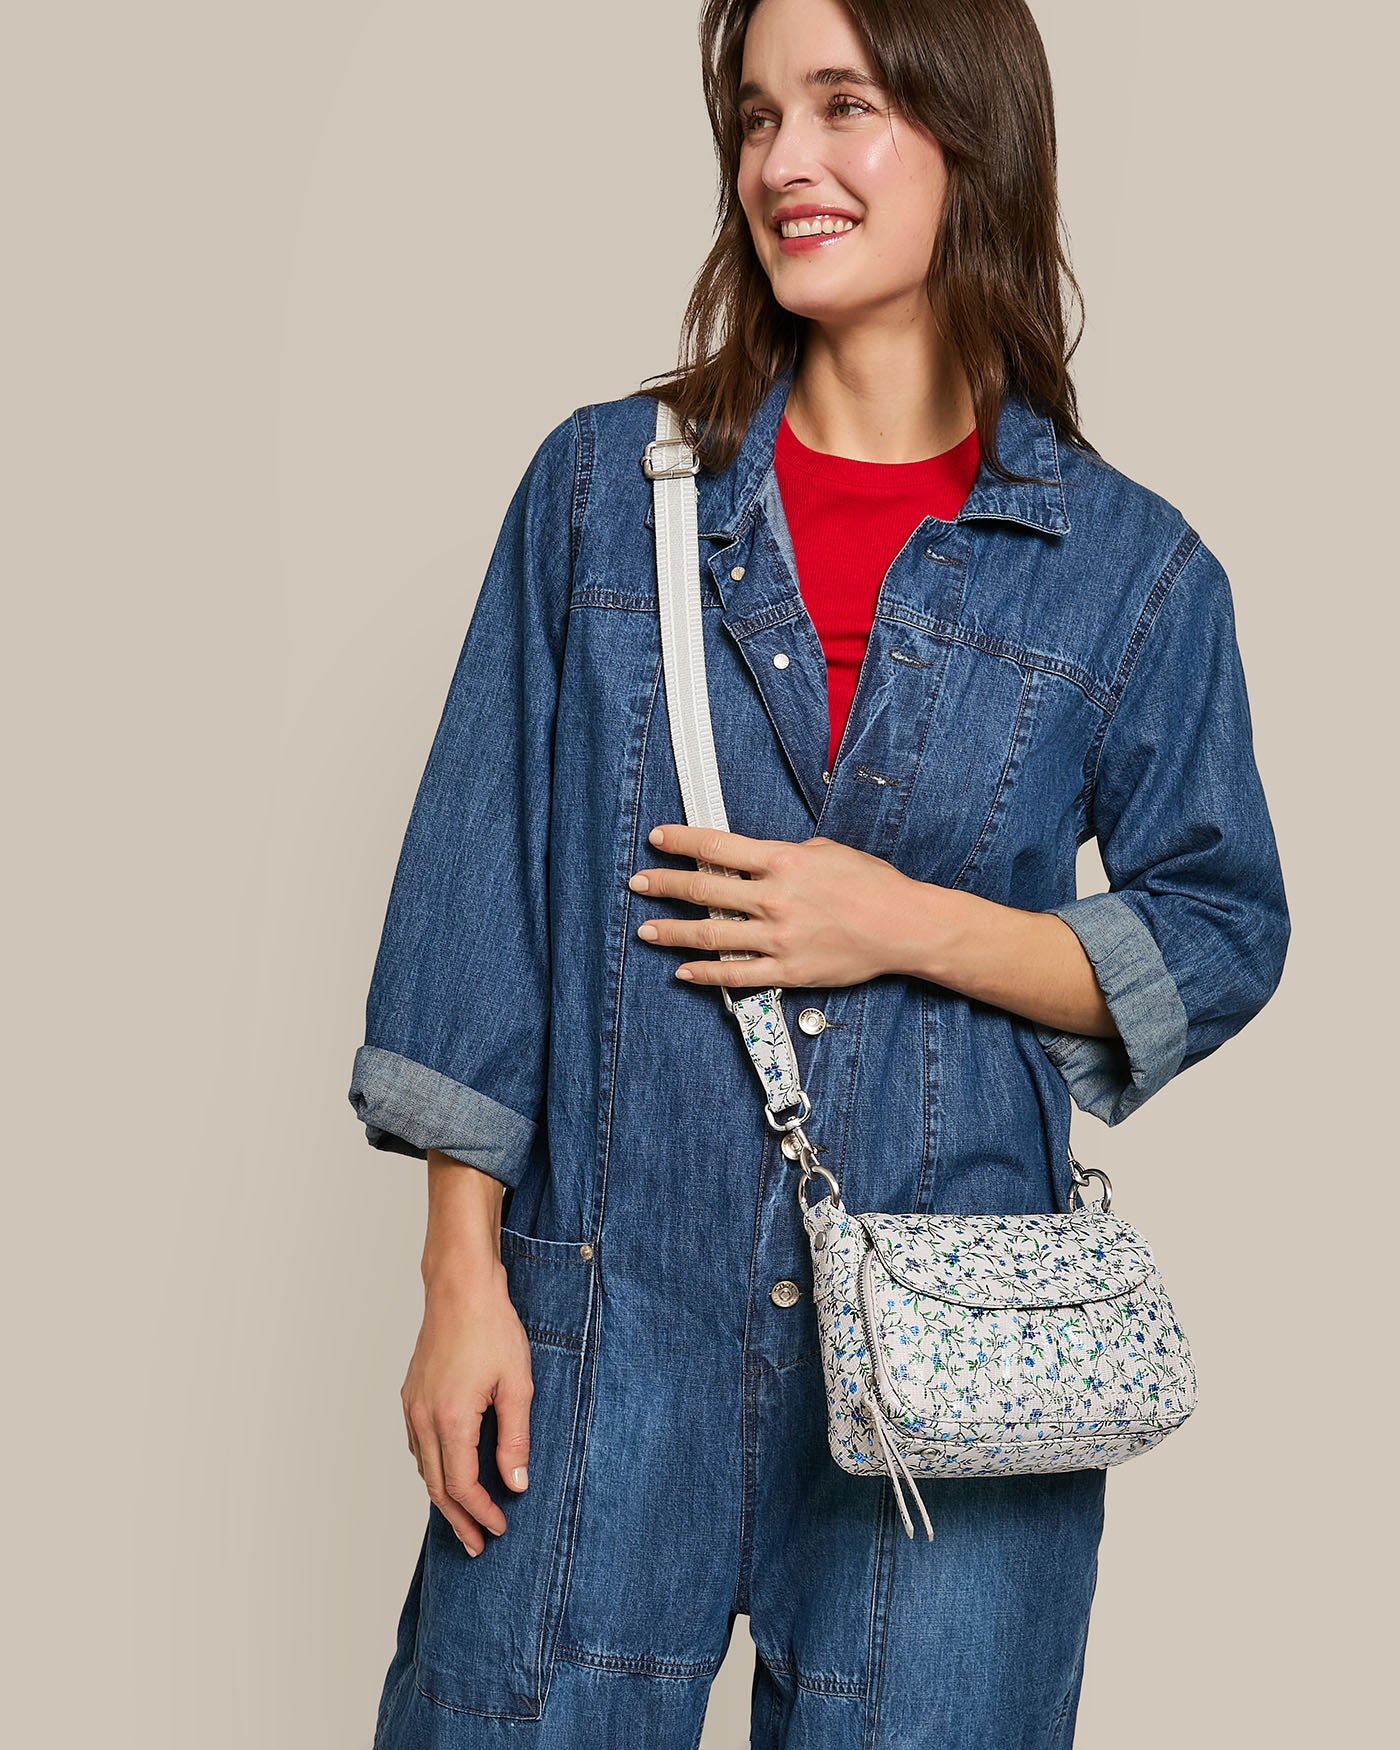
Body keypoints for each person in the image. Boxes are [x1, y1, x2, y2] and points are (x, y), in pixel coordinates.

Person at [347, 0, 1291, 1743]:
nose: (785, 160)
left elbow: (1222, 920)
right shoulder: (599, 499)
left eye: (842, 105)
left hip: (959, 1368)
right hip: (604, 1328)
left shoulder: (1129, 573)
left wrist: (903, 923)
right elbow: (476, 896)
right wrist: (458, 1282)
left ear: (966, 133)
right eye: (756, 114)